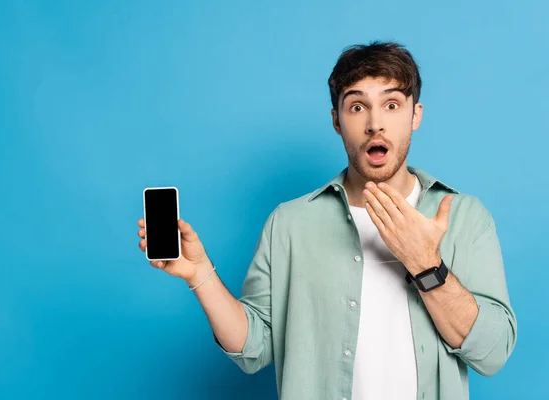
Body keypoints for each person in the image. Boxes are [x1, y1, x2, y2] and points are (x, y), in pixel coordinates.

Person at [136, 41, 517, 400]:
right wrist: (200, 274)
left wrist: (426, 264)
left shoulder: (465, 217)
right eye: (356, 107)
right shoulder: (289, 223)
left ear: (415, 114)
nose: (374, 125)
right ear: (336, 120)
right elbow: (254, 349)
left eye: (392, 105)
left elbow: (492, 352)